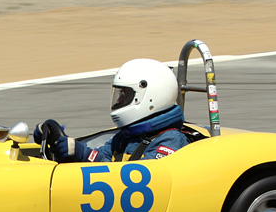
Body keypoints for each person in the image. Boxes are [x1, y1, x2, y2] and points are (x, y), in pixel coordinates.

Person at [34, 58, 189, 162]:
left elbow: (142, 177)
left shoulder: (170, 140)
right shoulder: (126, 136)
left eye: (125, 95)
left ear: (150, 96)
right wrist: (69, 147)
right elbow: (103, 158)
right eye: (119, 94)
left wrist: (84, 154)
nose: (119, 100)